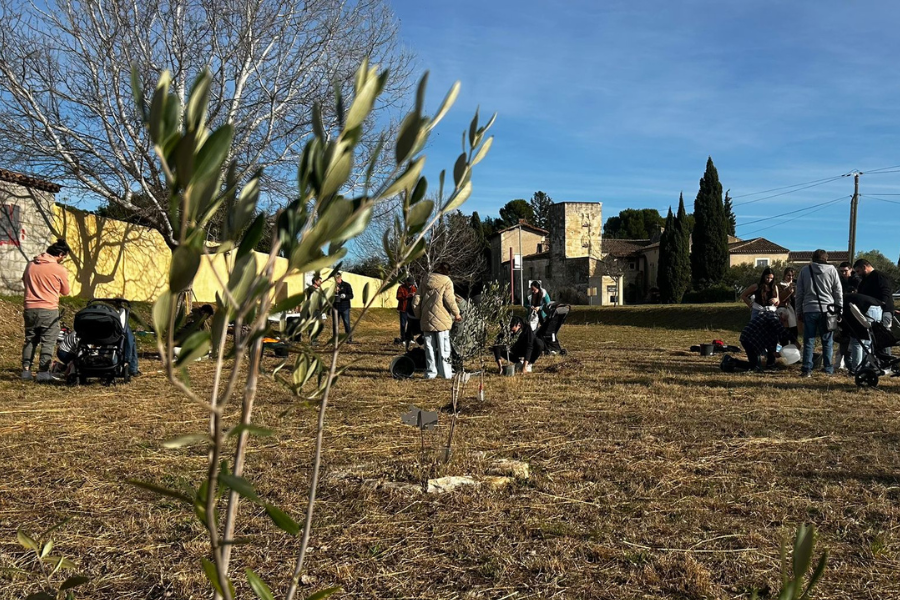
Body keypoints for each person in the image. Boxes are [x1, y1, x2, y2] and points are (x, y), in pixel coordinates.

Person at [22, 239, 71, 382]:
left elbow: (24, 281)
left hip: (29, 308)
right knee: (48, 341)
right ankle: (43, 372)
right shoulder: (59, 269)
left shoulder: (30, 265)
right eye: (64, 257)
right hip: (49, 309)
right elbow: (66, 291)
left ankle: (26, 371)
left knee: (30, 339)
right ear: (60, 254)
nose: (63, 260)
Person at [794, 249, 843, 377]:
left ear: (812, 258)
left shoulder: (805, 271)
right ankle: (828, 369)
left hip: (809, 309)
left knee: (808, 340)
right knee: (827, 341)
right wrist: (839, 310)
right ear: (826, 259)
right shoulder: (832, 270)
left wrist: (798, 310)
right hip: (828, 310)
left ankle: (807, 369)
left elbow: (799, 293)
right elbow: (838, 291)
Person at [412, 262, 461, 379]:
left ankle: (430, 372)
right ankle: (445, 373)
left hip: (426, 318)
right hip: (442, 318)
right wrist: (457, 313)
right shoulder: (447, 281)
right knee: (444, 347)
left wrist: (419, 315)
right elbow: (449, 299)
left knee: (429, 347)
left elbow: (416, 300)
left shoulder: (425, 280)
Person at [834, 262, 860, 369]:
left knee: (853, 339)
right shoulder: (840, 280)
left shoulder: (857, 280)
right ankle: (840, 362)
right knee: (843, 337)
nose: (844, 273)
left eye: (845, 270)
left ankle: (851, 363)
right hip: (843, 311)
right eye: (841, 271)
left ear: (851, 269)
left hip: (855, 311)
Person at [776, 267, 798, 341]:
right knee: (784, 333)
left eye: (792, 275)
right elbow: (780, 298)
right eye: (788, 275)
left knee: (794, 332)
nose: (790, 277)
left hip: (794, 310)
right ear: (785, 275)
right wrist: (788, 291)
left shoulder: (796, 285)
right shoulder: (779, 285)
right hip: (784, 310)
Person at [333, 272, 354, 343]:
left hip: (345, 307)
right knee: (335, 324)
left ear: (340, 277)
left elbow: (351, 295)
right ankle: (335, 339)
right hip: (335, 307)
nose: (337, 280)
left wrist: (345, 296)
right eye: (336, 278)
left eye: (338, 278)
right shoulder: (333, 286)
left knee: (346, 323)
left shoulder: (346, 285)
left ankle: (349, 338)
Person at [396, 276, 417, 343]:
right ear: (407, 282)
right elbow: (398, 297)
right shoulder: (401, 288)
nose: (411, 285)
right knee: (403, 324)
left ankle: (410, 338)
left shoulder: (414, 288)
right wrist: (407, 296)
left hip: (411, 309)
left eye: (412, 284)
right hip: (403, 309)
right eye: (410, 283)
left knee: (411, 324)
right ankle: (403, 338)